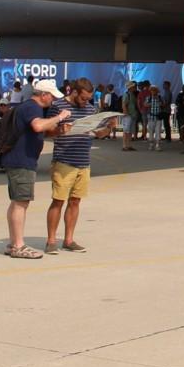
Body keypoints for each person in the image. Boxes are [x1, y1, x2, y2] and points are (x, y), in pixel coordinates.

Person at [1, 78, 71, 259]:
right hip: (22, 160)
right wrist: (60, 117)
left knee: (17, 201)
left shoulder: (27, 107)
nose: (53, 101)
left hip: (19, 159)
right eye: (52, 97)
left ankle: (13, 243)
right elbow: (38, 125)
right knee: (21, 202)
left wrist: (57, 130)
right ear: (44, 95)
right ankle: (18, 245)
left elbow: (38, 130)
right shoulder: (33, 107)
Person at [46, 77, 107, 254]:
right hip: (64, 161)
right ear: (74, 92)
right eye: (83, 98)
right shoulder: (58, 106)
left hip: (83, 161)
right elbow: (47, 131)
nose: (86, 101)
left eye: (89, 98)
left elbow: (99, 133)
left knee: (75, 201)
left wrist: (108, 127)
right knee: (58, 201)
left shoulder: (89, 108)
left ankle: (69, 239)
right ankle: (51, 240)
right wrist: (59, 130)